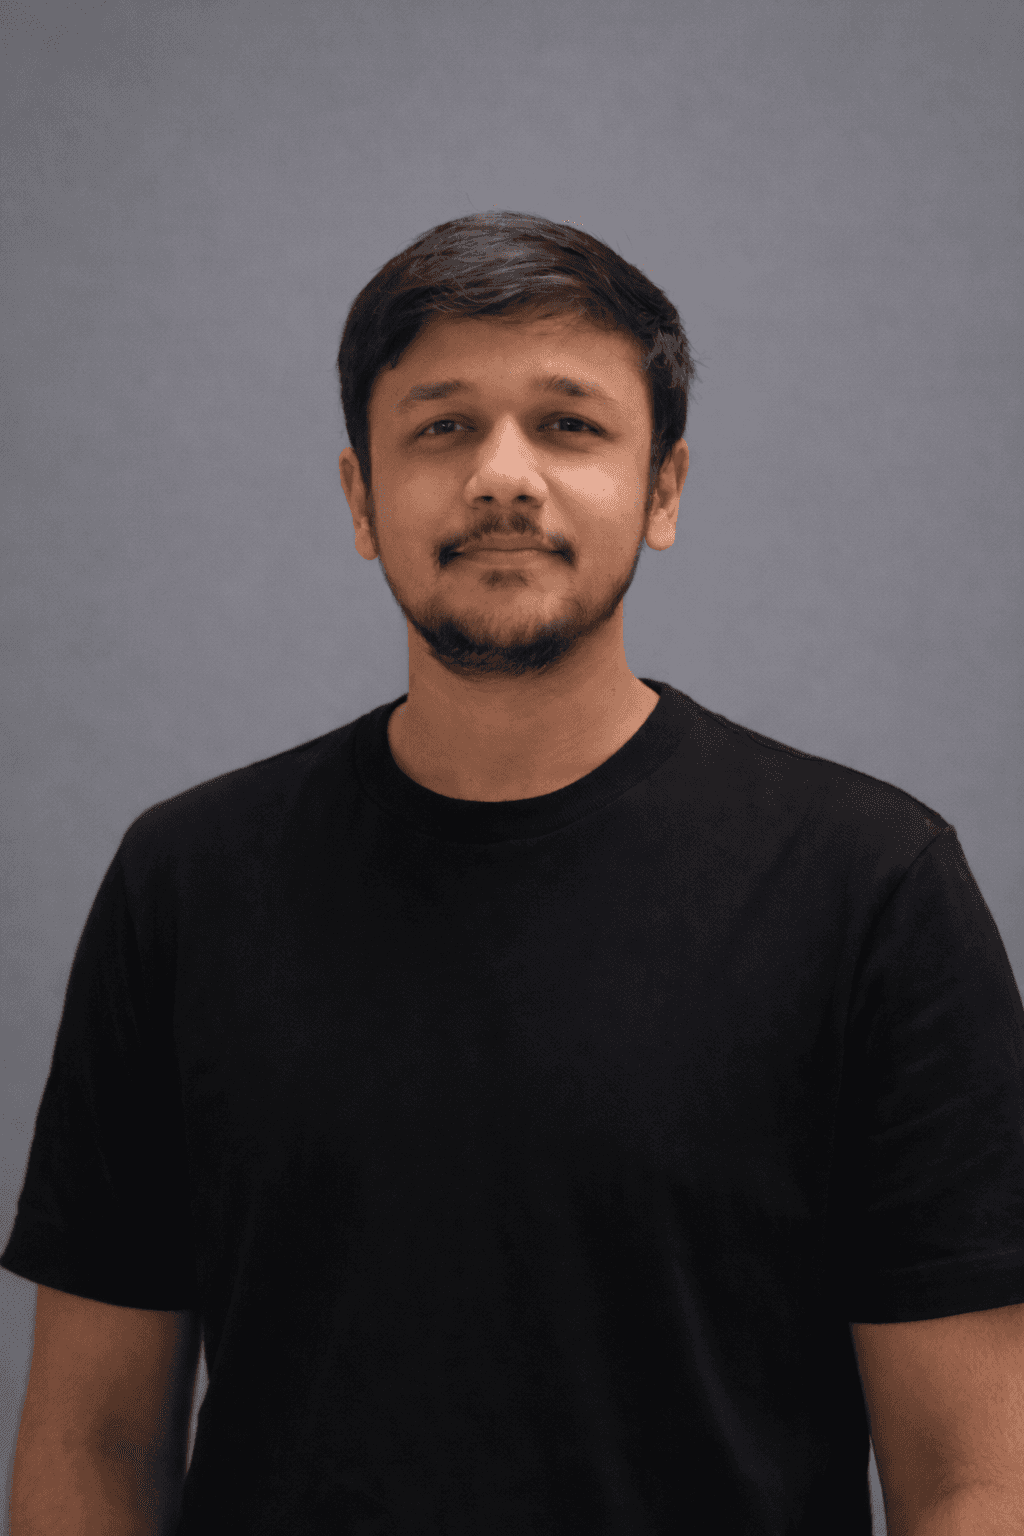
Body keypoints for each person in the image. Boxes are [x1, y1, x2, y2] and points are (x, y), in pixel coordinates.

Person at [4, 211, 1023, 1535]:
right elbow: (93, 1443)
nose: (502, 477)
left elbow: (975, 1477)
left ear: (664, 490)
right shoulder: (189, 885)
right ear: (362, 500)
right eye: (440, 426)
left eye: (568, 423)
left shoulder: (869, 889)